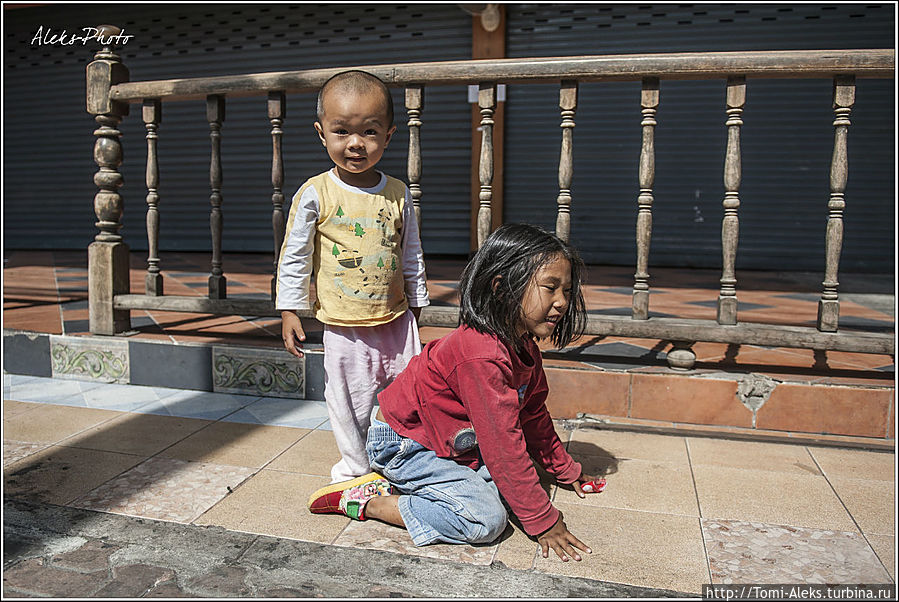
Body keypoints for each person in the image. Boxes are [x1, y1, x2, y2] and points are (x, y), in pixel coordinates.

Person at [308, 223, 603, 563]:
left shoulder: (522, 347)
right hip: (405, 443)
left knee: (514, 485)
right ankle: (367, 500)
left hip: (451, 442)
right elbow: (503, 446)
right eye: (550, 288)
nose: (562, 302)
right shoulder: (480, 354)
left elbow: (533, 415)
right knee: (486, 519)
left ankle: (418, 487)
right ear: (502, 288)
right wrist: (544, 522)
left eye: (566, 291)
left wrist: (567, 471)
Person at [276, 70, 429, 484]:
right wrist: (291, 309)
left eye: (369, 131)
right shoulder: (316, 193)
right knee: (348, 403)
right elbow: (295, 255)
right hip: (344, 328)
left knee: (410, 395)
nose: (355, 143)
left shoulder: (398, 192)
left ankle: (405, 460)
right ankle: (355, 470)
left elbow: (410, 250)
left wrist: (417, 302)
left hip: (397, 322)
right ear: (321, 133)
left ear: (389, 135)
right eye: (342, 131)